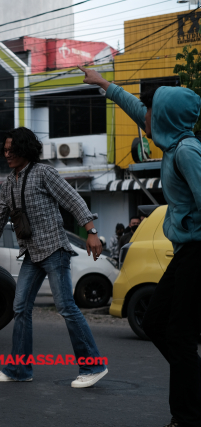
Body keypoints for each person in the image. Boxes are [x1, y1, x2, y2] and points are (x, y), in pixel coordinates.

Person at [79, 64, 201, 427]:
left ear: (163, 116)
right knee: (155, 322)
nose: (143, 116)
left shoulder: (187, 153)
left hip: (197, 252)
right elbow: (137, 108)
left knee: (178, 336)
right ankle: (191, 384)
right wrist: (104, 85)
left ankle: (187, 417)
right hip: (186, 252)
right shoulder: (174, 141)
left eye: (150, 111)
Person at [0, 127, 107, 388]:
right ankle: (19, 370)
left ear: (26, 149)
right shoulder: (8, 182)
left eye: (13, 149)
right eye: (5, 150)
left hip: (54, 249)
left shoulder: (44, 173)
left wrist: (92, 232)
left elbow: (73, 199)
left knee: (66, 307)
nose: (7, 154)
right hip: (31, 255)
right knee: (20, 308)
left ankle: (93, 365)